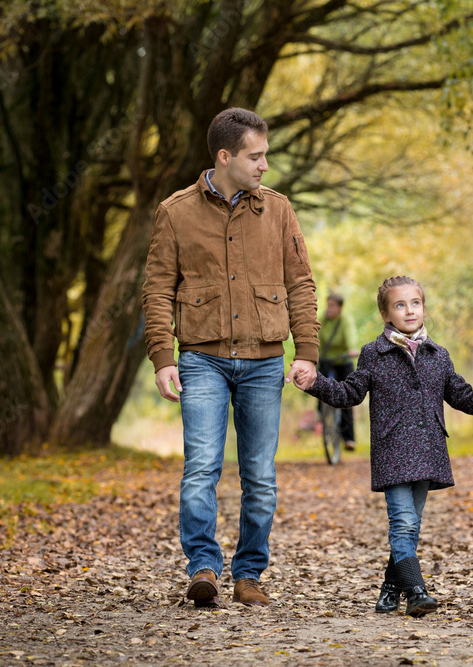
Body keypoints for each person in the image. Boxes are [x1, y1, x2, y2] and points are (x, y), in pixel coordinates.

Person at [141, 107, 320, 609]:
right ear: (225, 157)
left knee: (260, 475)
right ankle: (202, 567)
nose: (265, 164)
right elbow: (157, 290)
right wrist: (162, 355)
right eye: (255, 156)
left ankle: (249, 575)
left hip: (265, 360)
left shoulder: (279, 210)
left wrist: (306, 351)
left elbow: (301, 283)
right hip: (201, 358)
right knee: (201, 468)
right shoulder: (175, 211)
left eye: (265, 155)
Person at [293, 276, 473, 616]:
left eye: (415, 303)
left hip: (429, 450)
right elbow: (349, 394)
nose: (409, 310)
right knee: (403, 523)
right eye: (400, 305)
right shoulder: (374, 354)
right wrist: (316, 382)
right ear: (385, 313)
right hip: (392, 452)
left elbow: (462, 396)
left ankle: (390, 589)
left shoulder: (438, 355)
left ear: (423, 308)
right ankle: (416, 591)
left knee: (411, 524)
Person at [317, 292, 359, 450]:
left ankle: (349, 439)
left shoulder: (345, 320)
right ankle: (322, 414)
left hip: (343, 360)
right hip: (326, 360)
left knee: (347, 398)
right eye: (328, 305)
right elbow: (315, 337)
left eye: (332, 305)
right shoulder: (323, 320)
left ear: (340, 307)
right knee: (319, 390)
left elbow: (351, 335)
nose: (329, 308)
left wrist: (352, 349)